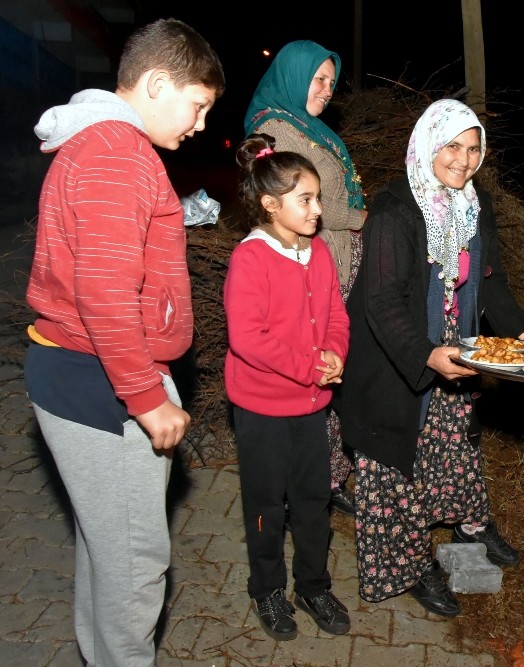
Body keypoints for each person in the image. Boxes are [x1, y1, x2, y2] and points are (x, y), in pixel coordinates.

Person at [21, 18, 224, 666]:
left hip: (78, 374)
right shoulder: (117, 152)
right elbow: (105, 289)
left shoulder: (99, 146)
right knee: (134, 568)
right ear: (159, 82)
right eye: (197, 106)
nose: (197, 124)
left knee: (106, 554)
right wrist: (145, 394)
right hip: (100, 384)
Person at [332, 99, 524, 617]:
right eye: (453, 145)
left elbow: (489, 285)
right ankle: (409, 566)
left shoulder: (475, 206)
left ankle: (465, 523)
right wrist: (426, 354)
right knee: (396, 463)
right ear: (429, 143)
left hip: (454, 344)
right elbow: (382, 304)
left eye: (474, 148)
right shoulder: (395, 211)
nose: (465, 159)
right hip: (397, 354)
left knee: (451, 442)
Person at [224, 134, 351, 641]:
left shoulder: (317, 252)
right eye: (306, 200)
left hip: (311, 406)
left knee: (313, 501)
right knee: (265, 506)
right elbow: (248, 338)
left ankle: (313, 585)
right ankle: (267, 588)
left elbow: (337, 312)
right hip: (261, 410)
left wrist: (336, 353)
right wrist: (307, 365)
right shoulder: (251, 259)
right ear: (269, 205)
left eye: (318, 198)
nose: (318, 209)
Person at [244, 39, 365, 516]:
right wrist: (360, 216)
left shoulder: (306, 126)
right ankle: (302, 488)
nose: (326, 90)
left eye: (331, 82)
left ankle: (326, 475)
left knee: (329, 366)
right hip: (307, 267)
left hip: (329, 262)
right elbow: (307, 201)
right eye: (317, 79)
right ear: (293, 75)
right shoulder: (277, 127)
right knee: (309, 367)